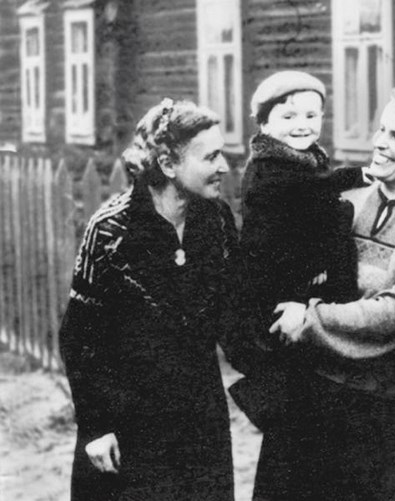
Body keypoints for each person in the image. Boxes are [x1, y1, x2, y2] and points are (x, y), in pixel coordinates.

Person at [266, 83, 395, 501]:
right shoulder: (346, 198)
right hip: (310, 397)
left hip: (377, 414)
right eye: (381, 131)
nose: (380, 144)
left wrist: (310, 316)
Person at [59, 98, 240, 501]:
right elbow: (79, 337)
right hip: (127, 424)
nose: (224, 167)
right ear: (168, 164)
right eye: (210, 157)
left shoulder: (216, 221)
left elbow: (235, 316)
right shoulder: (110, 231)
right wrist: (95, 426)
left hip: (198, 419)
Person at [229, 71, 363, 430]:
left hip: (300, 275)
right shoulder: (270, 169)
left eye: (311, 116)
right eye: (288, 117)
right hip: (276, 283)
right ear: (265, 124)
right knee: (290, 375)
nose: (301, 126)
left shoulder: (304, 159)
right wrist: (360, 176)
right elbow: (311, 196)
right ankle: (270, 404)